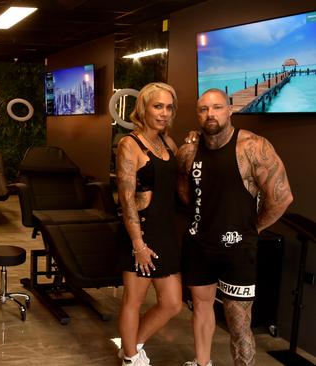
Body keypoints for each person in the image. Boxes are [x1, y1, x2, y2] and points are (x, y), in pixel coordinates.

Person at [177, 88, 293, 366]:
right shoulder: (188, 151)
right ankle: (202, 363)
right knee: (202, 308)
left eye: (217, 108)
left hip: (238, 250)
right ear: (197, 115)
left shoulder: (253, 147)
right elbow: (183, 191)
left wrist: (254, 228)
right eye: (203, 109)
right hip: (200, 245)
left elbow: (282, 197)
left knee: (239, 324)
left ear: (230, 110)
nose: (210, 114)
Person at [116, 82, 184, 366]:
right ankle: (131, 358)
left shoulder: (169, 142)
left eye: (169, 107)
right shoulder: (129, 144)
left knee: (172, 303)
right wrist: (138, 244)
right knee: (134, 300)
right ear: (143, 108)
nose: (164, 113)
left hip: (167, 231)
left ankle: (131, 346)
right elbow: (126, 199)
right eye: (158, 106)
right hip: (141, 232)